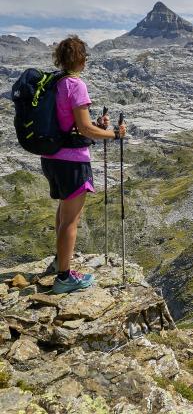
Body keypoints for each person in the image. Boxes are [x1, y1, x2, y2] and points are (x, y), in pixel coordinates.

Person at [41, 35, 127, 294]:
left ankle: (60, 261)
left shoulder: (53, 83)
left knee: (62, 212)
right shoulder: (75, 85)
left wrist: (94, 126)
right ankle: (65, 277)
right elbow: (84, 127)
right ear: (80, 59)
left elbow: (70, 124)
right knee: (72, 220)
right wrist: (113, 134)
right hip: (72, 161)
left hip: (51, 157)